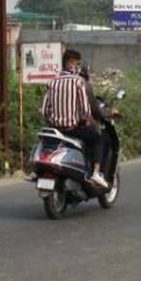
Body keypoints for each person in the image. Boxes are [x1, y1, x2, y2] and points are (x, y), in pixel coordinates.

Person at [40, 49, 109, 189]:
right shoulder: (78, 81)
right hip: (72, 129)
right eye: (77, 64)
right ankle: (96, 173)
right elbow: (85, 110)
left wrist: (53, 120)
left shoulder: (51, 82)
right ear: (69, 63)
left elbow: (44, 110)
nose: (78, 67)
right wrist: (90, 122)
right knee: (98, 138)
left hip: (56, 130)